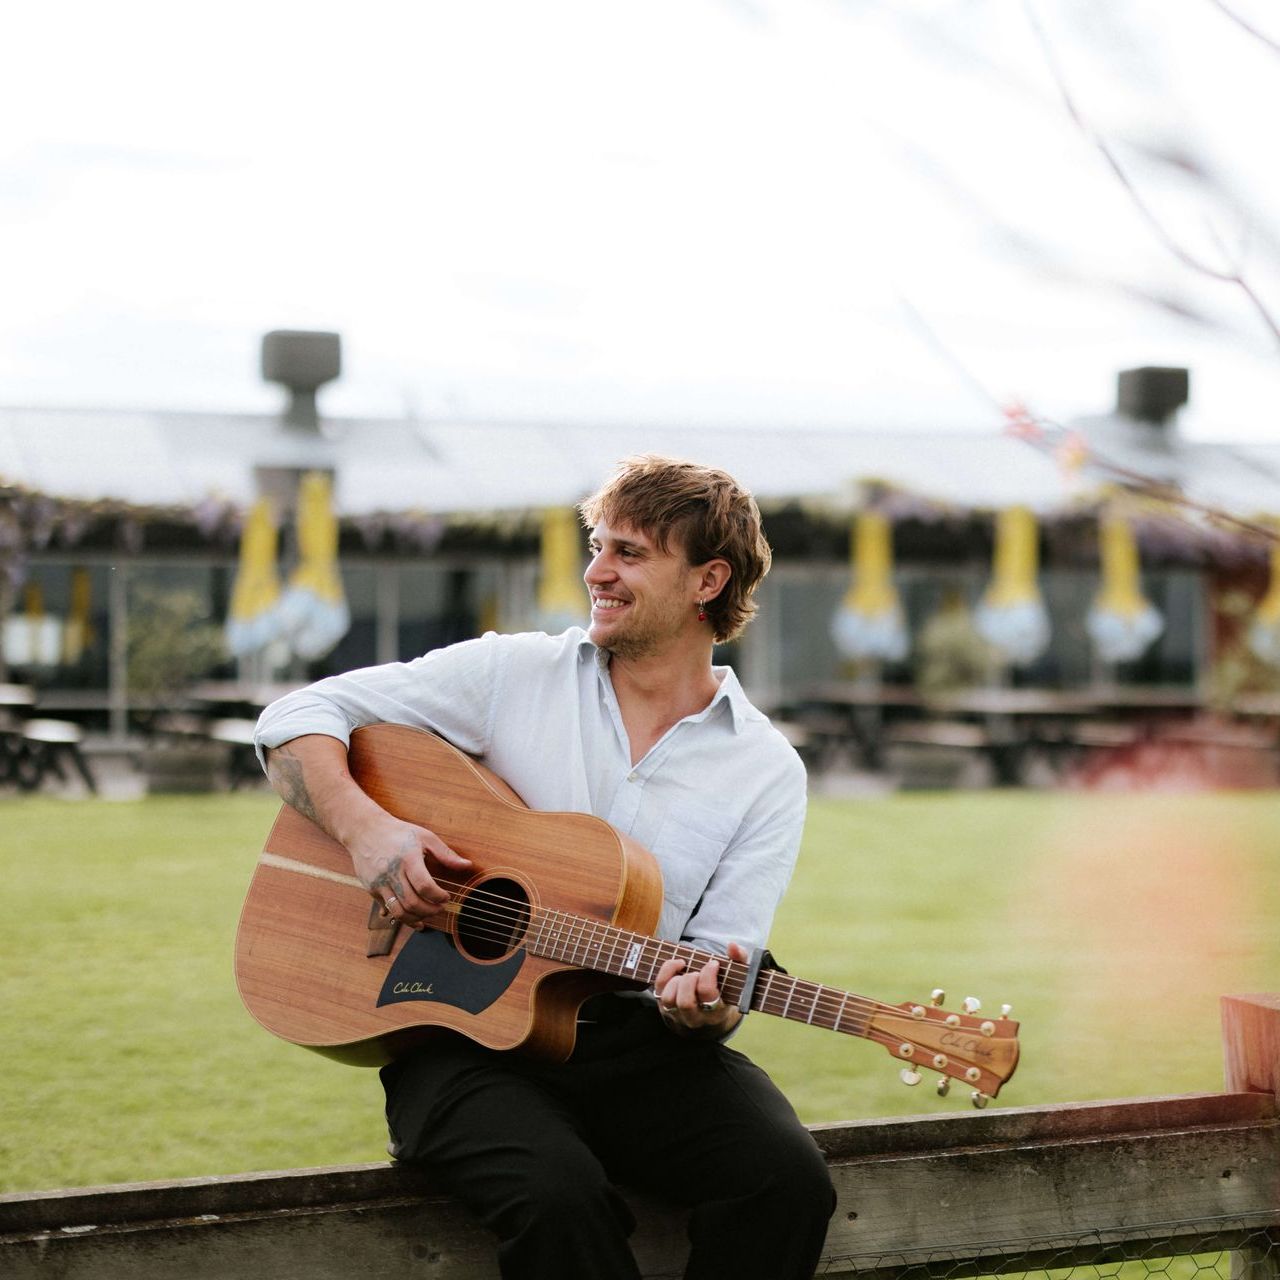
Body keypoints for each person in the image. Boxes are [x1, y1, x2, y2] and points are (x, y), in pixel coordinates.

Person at [253, 454, 836, 1279]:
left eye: (628, 553)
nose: (595, 571)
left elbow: (721, 953)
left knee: (787, 1185)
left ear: (708, 580)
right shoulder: (511, 673)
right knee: (557, 1198)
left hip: (640, 1050)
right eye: (596, 546)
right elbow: (297, 714)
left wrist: (706, 1012)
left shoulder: (766, 768)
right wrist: (368, 833)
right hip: (460, 1041)